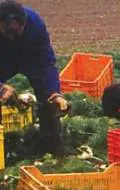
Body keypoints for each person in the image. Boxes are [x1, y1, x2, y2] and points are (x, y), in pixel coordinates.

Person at [0, 1, 69, 156]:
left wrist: (54, 92)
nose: (13, 36)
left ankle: (51, 150)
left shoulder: (35, 24)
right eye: (9, 31)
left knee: (48, 101)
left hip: (28, 57)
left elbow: (45, 62)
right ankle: (3, 151)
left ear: (24, 23)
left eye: (18, 31)